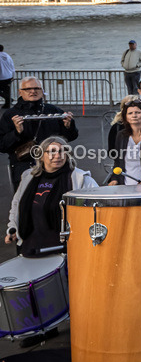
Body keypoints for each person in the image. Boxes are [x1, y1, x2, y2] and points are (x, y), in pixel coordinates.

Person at [5, 136, 97, 347]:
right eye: (52, 152)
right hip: (32, 239)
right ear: (42, 155)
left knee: (70, 287)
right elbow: (17, 204)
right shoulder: (29, 176)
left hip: (62, 244)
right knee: (36, 289)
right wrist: (12, 227)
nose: (57, 156)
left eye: (62, 151)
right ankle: (44, 329)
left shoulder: (80, 178)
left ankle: (82, 327)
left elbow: (96, 206)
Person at [0, 77, 78, 190]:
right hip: (24, 166)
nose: (33, 91)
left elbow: (71, 137)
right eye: (28, 89)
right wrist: (17, 132)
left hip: (55, 166)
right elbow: (2, 146)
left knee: (57, 199)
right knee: (26, 202)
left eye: (37, 88)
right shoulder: (10, 114)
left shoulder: (54, 110)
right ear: (20, 92)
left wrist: (68, 127)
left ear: (42, 90)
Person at [0, 44, 14, 109]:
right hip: (9, 76)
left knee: (3, 92)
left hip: (1, 77)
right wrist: (12, 74)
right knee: (7, 91)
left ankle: (9, 99)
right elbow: (12, 65)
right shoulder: (7, 56)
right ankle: (7, 104)